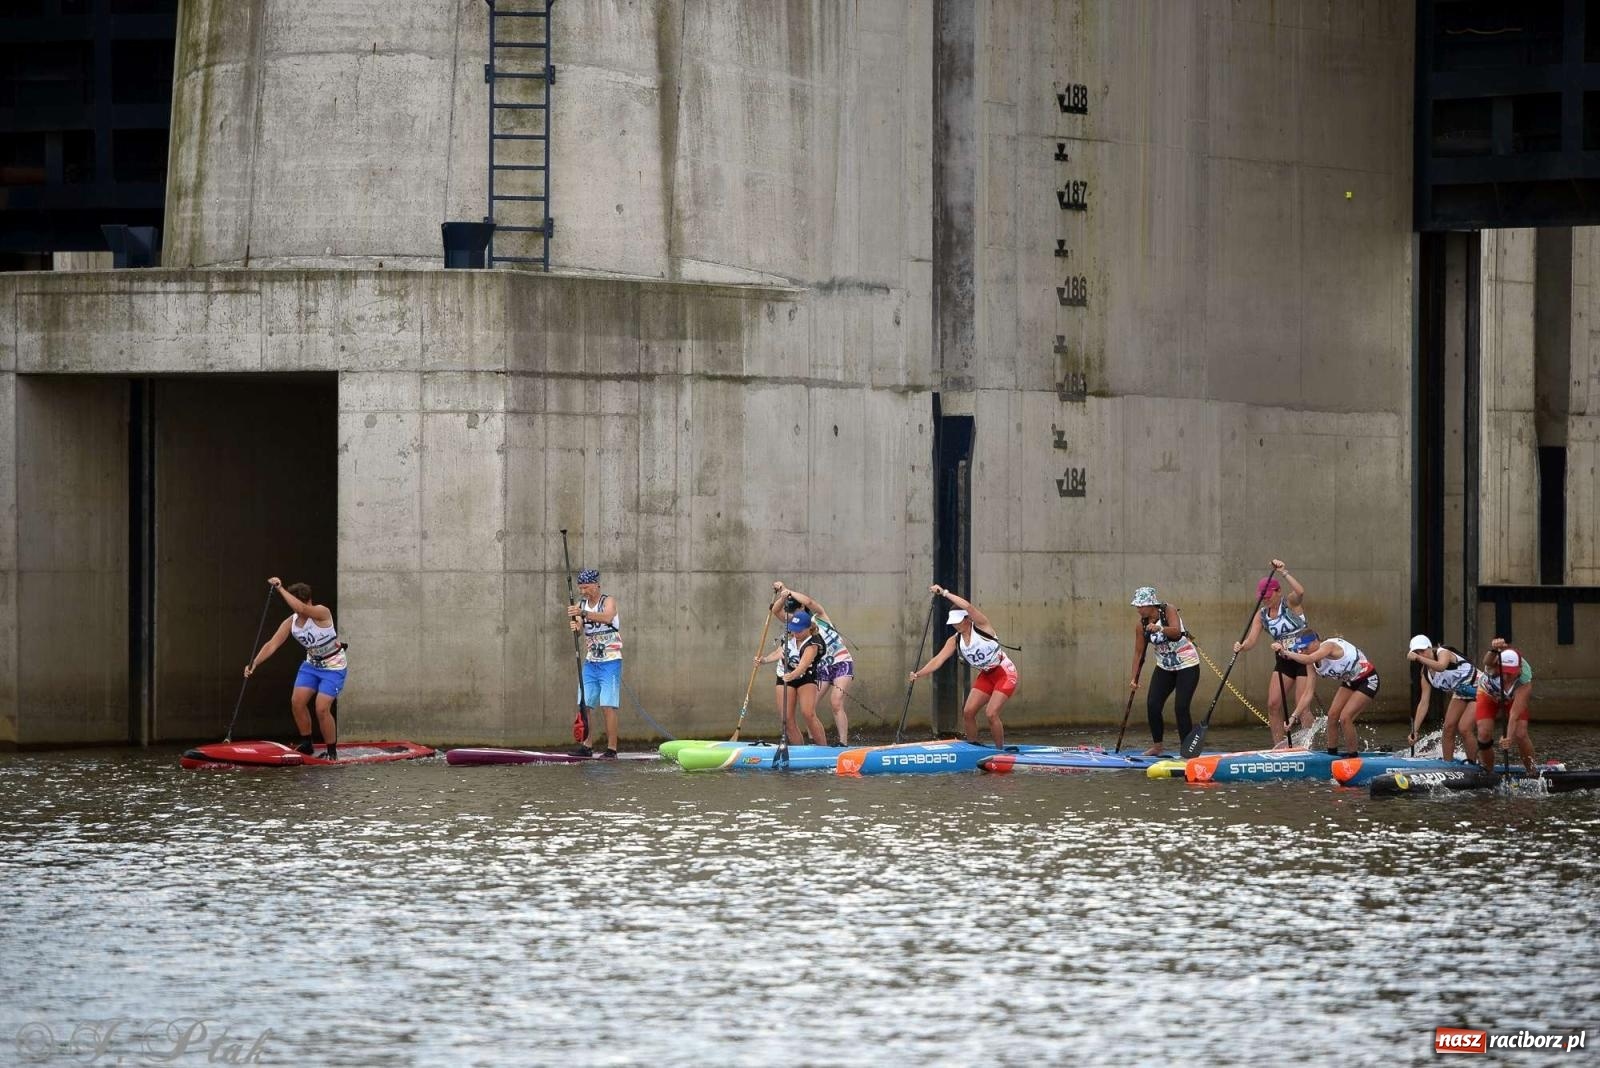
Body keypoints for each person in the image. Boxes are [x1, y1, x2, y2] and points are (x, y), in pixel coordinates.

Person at [243, 578, 344, 759]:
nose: (295, 610)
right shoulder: (291, 622)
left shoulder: (321, 612)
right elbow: (272, 644)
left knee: (321, 708)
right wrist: (254, 663)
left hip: (334, 666)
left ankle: (331, 752)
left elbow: (302, 609)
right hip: (311, 665)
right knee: (297, 702)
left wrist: (280, 588)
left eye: (295, 603)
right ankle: (307, 744)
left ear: (306, 601)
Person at [908, 585, 1015, 748]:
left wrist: (944, 593)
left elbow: (968, 606)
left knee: (991, 713)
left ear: (967, 619)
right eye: (953, 623)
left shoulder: (982, 626)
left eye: (958, 622)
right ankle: (973, 748)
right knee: (968, 712)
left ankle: (1001, 751)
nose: (955, 626)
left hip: (1004, 673)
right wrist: (918, 674)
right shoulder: (954, 640)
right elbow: (938, 660)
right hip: (986, 676)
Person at [1231, 560, 1318, 748]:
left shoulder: (1290, 603)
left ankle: (1308, 746)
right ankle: (1279, 746)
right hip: (1284, 660)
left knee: (1301, 706)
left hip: (1304, 658)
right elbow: (1251, 641)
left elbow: (1301, 592)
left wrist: (1283, 572)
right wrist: (1241, 646)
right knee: (1273, 704)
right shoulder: (1261, 615)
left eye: (1269, 595)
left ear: (1278, 591)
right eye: (1263, 596)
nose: (1265, 599)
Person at [776, 584, 854, 745]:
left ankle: (843, 743)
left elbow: (810, 602)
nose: (792, 616)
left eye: (795, 611)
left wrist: (789, 590)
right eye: (791, 613)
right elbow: (776, 611)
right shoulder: (797, 625)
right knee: (809, 709)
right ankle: (814, 743)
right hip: (822, 667)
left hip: (841, 662)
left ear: (802, 608)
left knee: (836, 702)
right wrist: (782, 593)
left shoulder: (820, 617)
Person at [1273, 635, 1377, 755]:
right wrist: (1293, 717)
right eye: (1300, 649)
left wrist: (1285, 652)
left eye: (1305, 648)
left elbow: (1309, 658)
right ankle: (1331, 754)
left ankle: (1353, 756)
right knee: (1332, 716)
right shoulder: (1311, 664)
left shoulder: (1329, 646)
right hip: (1350, 683)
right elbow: (1308, 693)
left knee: (1345, 718)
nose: (1302, 651)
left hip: (1368, 679)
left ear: (1315, 643)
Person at [1129, 586, 1200, 756]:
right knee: (1153, 705)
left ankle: (1187, 750)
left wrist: (1160, 628)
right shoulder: (1141, 625)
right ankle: (1157, 746)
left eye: (1142, 606)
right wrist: (1134, 678)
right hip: (1165, 668)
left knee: (1181, 707)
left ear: (1152, 604)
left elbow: (1176, 632)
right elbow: (1139, 652)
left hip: (1187, 665)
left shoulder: (1168, 610)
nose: (1139, 610)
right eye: (1137, 606)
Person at [755, 610, 829, 745]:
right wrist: (763, 660)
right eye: (794, 630)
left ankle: (824, 749)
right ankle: (798, 750)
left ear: (808, 628)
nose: (795, 634)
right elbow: (779, 652)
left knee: (808, 714)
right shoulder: (789, 637)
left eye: (799, 631)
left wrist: (793, 675)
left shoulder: (813, 644)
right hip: (785, 676)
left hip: (805, 677)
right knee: (787, 719)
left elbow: (803, 666)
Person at [568, 568, 620, 758]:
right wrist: (576, 625)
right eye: (580, 588)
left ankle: (611, 749)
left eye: (586, 587)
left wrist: (582, 613)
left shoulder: (608, 601)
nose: (583, 592)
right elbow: (580, 629)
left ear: (596, 585)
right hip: (591, 663)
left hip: (611, 662)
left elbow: (607, 617)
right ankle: (586, 746)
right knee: (585, 705)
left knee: (608, 706)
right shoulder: (582, 604)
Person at [1406, 635, 1480, 763]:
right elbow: (1424, 702)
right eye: (1417, 652)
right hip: (1461, 694)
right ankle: (1448, 764)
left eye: (1423, 651)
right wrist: (1414, 731)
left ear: (1430, 648)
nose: (1421, 655)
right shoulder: (1425, 674)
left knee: (1464, 728)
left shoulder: (1443, 652)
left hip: (1481, 690)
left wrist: (1418, 658)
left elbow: (1441, 666)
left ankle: (1473, 765)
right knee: (1448, 728)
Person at [1474, 638, 1535, 775]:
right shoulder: (1492, 665)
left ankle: (1532, 772)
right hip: (1488, 694)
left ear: (1519, 669)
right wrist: (1494, 649)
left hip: (1512, 699)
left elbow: (1514, 715)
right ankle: (1488, 771)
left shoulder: (1525, 681)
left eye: (1511, 672)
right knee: (1484, 733)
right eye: (1504, 671)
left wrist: (1508, 738)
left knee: (1520, 733)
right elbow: (1487, 660)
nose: (1507, 676)